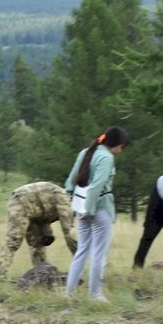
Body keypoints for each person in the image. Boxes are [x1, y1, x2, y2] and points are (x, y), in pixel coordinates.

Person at [63, 126, 131, 301]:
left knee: (82, 251)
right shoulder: (107, 158)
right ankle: (95, 294)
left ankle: (69, 293)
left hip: (81, 207)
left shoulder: (85, 152)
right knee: (99, 253)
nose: (121, 150)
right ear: (116, 143)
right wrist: (88, 210)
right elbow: (97, 186)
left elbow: (71, 180)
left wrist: (77, 206)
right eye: (121, 146)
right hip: (100, 209)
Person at [0, 181, 78, 278]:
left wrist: (47, 232)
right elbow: (69, 232)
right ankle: (1, 274)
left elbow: (45, 212)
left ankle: (40, 273)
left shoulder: (61, 197)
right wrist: (78, 255)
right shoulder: (64, 200)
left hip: (37, 212)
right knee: (14, 239)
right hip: (21, 201)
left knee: (38, 243)